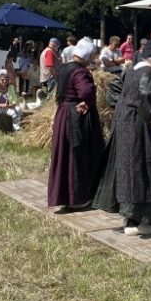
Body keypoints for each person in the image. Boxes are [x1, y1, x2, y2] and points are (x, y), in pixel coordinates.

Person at [94, 40, 151, 236]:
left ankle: (130, 220)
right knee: (147, 170)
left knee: (130, 171)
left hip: (125, 129)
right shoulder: (150, 74)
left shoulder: (130, 72)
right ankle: (146, 222)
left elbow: (114, 92)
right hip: (143, 133)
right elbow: (149, 106)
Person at [46, 38, 104, 211]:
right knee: (77, 154)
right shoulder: (80, 71)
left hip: (63, 113)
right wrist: (87, 100)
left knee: (65, 154)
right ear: (87, 56)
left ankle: (66, 196)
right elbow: (86, 90)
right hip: (75, 117)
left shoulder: (64, 68)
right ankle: (77, 198)